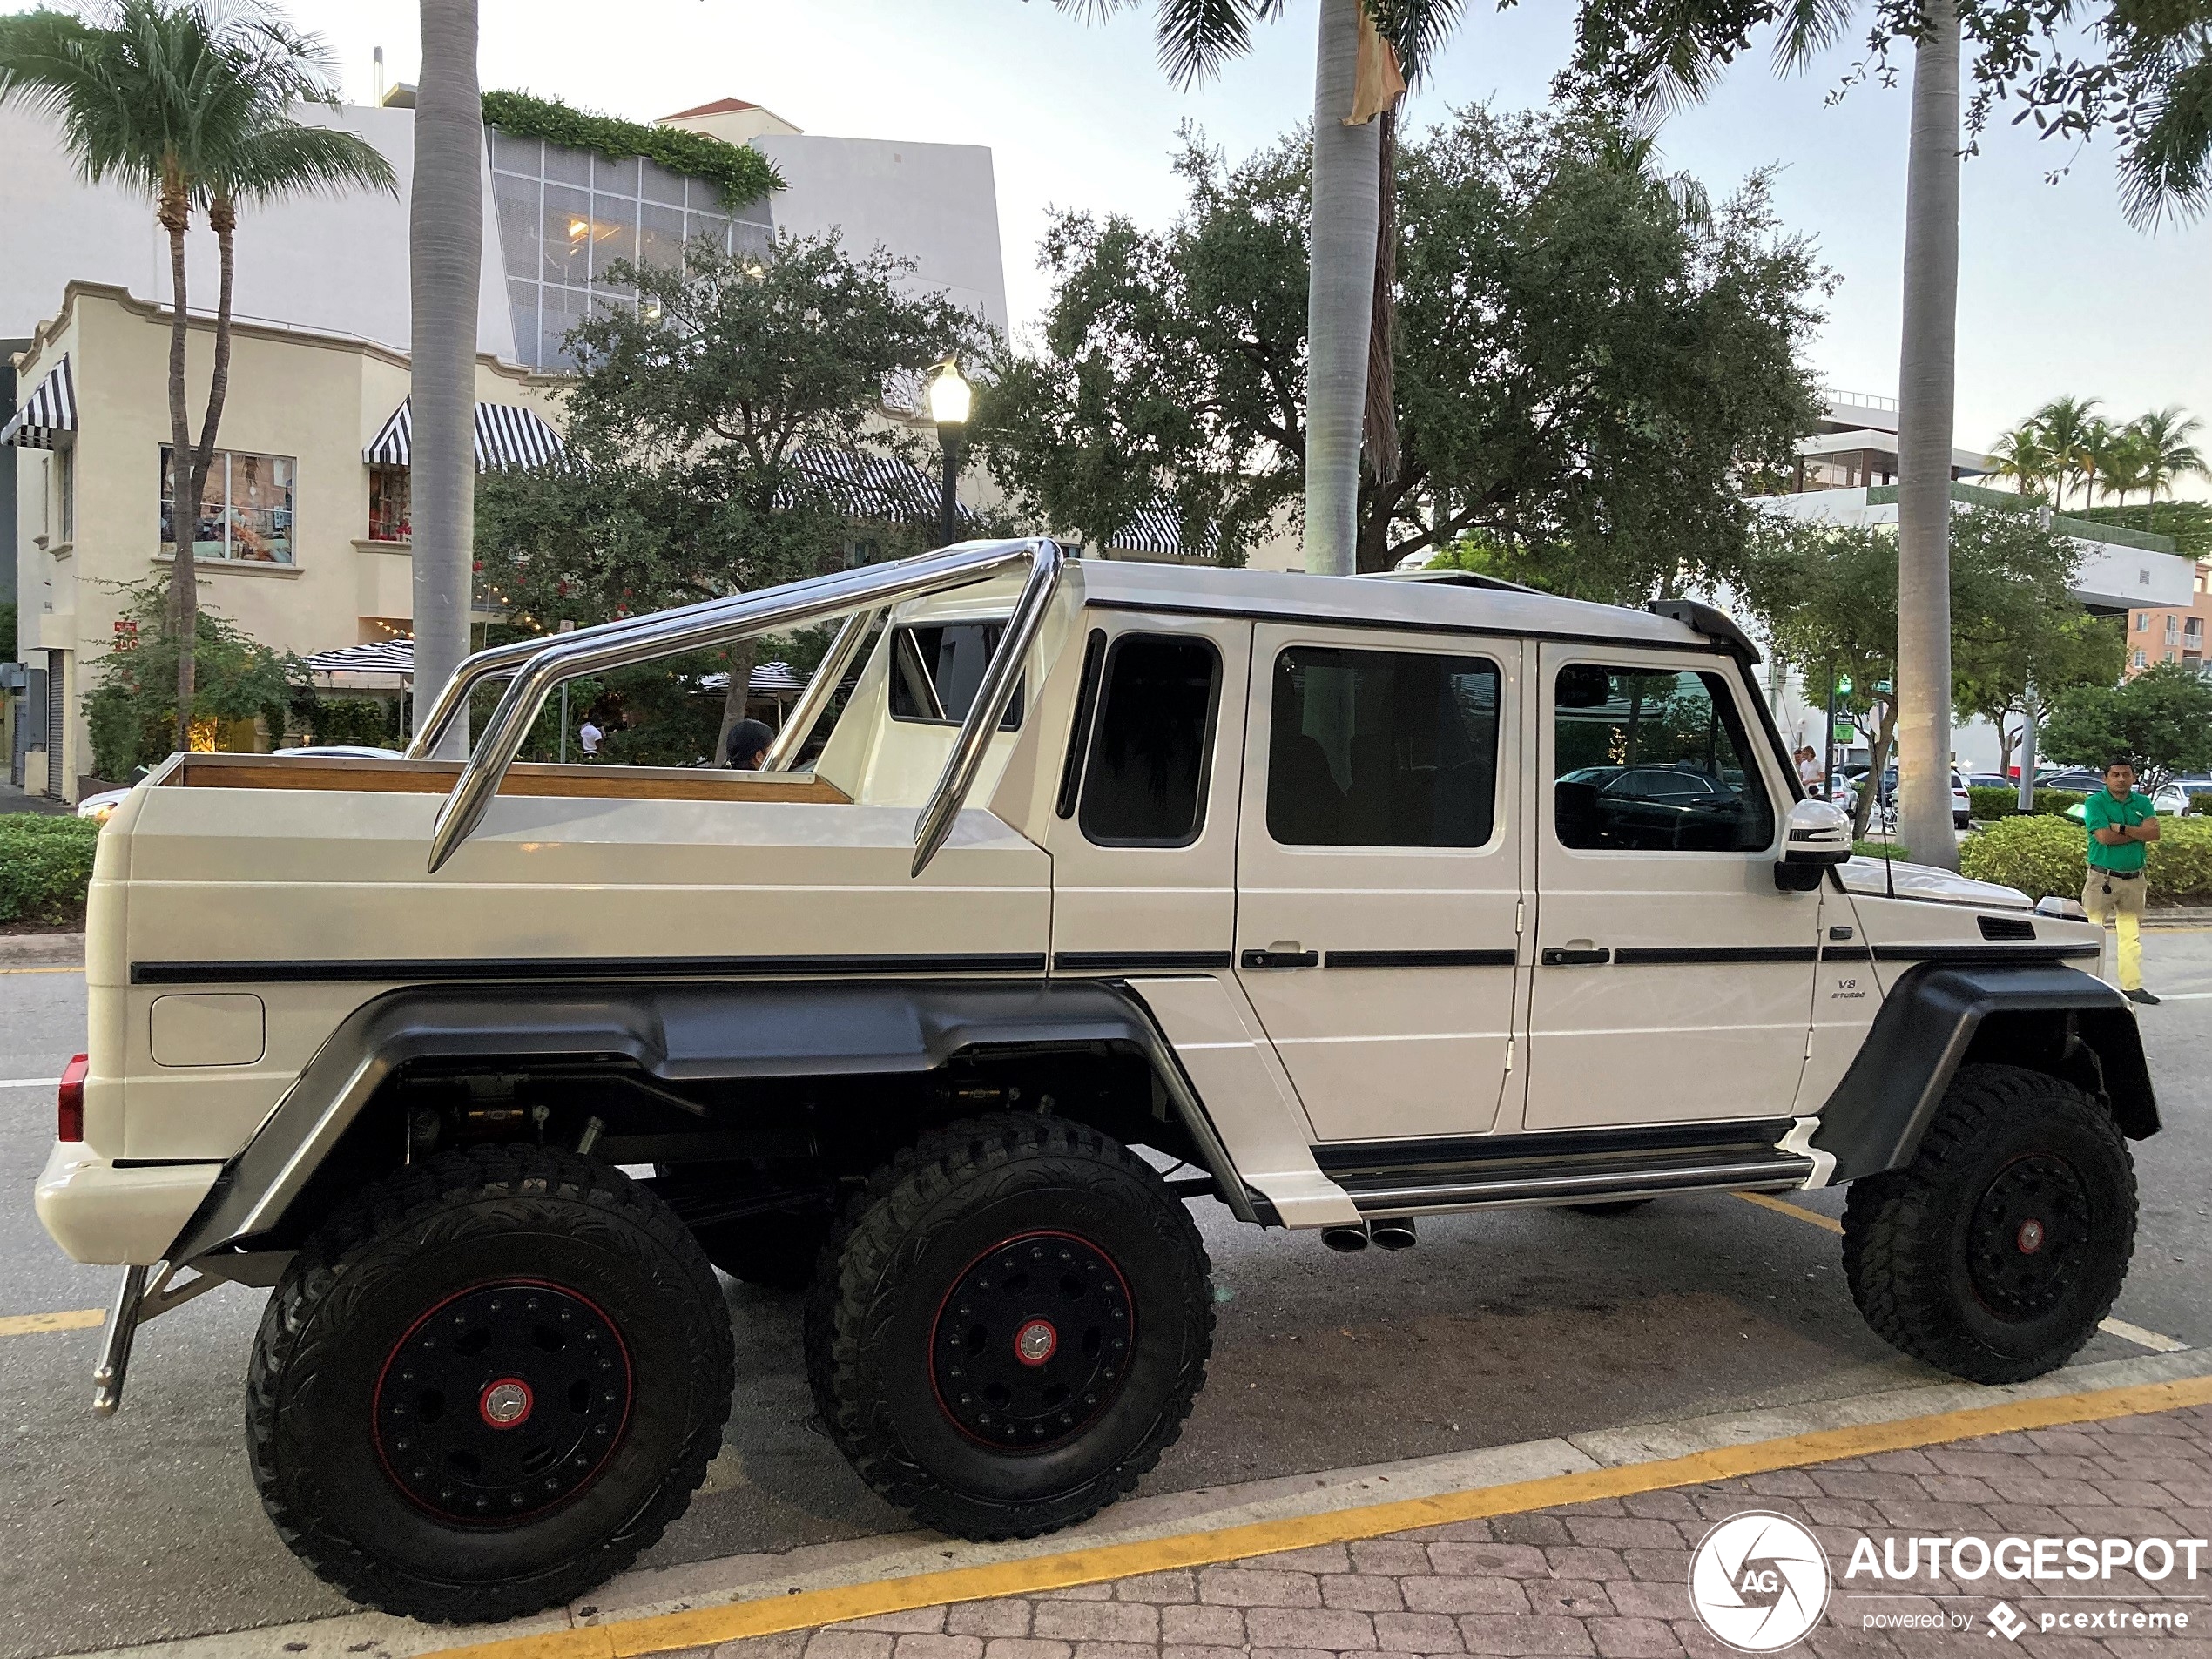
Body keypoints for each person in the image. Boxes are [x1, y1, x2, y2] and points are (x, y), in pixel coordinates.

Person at [2084, 759, 2161, 1006]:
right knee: (2092, 935)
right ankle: (2088, 986)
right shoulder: (2095, 803)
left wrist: (2122, 827)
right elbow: (2104, 837)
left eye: (2125, 774)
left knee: (2131, 936)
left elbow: (2154, 834)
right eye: (2115, 775)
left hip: (2134, 880)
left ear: (2133, 777)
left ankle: (2132, 987)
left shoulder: (2143, 802)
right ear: (2105, 779)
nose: (2120, 779)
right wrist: (2137, 832)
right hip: (2101, 879)